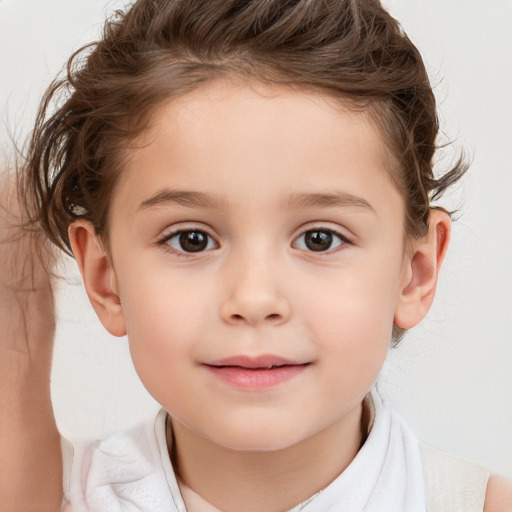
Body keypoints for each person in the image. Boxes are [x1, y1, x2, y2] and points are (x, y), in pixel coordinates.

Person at [1, 0, 511, 510]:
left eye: (320, 239)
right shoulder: (46, 496)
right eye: (191, 239)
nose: (254, 298)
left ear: (414, 273)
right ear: (105, 277)